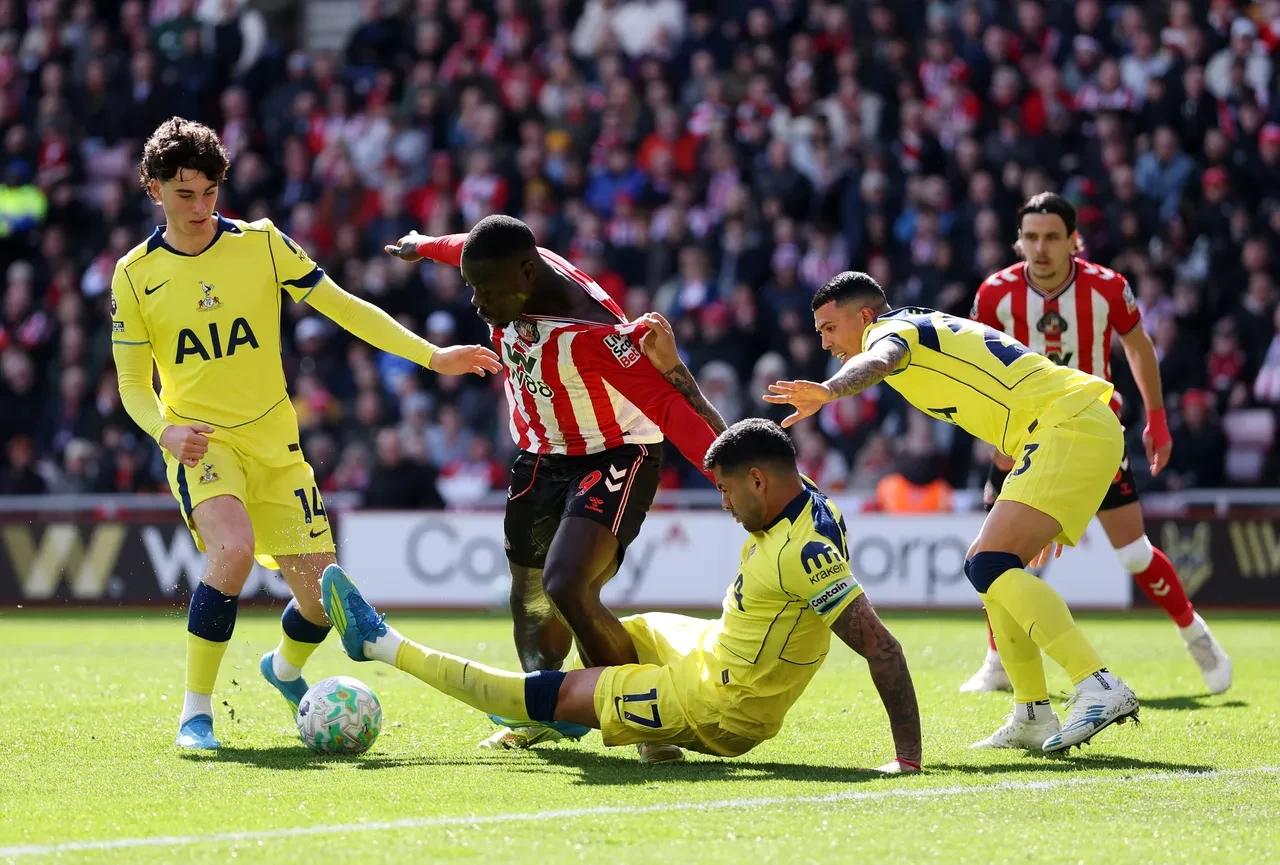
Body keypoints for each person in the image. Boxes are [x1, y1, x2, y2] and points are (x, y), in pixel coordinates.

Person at [111, 118, 501, 751]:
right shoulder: (133, 275)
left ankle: (283, 669)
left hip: (276, 444)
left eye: (210, 191)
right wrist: (166, 429)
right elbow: (131, 383)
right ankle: (195, 714)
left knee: (322, 601)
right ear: (154, 188)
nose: (200, 207)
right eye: (185, 193)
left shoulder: (262, 244)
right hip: (205, 446)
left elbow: (344, 306)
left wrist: (434, 356)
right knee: (231, 553)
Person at [320, 418, 922, 771]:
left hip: (723, 706)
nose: (723, 503)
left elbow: (882, 648)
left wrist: (908, 760)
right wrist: (678, 371)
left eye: (726, 491)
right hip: (708, 649)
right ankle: (589, 719)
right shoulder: (804, 492)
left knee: (534, 692)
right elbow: (742, 440)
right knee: (616, 626)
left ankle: (382, 644)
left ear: (759, 481)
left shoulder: (803, 553)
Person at [385, 217, 725, 762]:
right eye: (473, 288)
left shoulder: (592, 331)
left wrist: (724, 475)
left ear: (526, 273)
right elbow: (464, 250)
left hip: (617, 451)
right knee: (530, 601)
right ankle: (547, 709)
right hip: (541, 455)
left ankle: (647, 723)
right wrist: (422, 246)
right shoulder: (515, 265)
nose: (477, 303)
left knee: (566, 583)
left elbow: (665, 406)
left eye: (487, 291)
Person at [765, 271, 1139, 752]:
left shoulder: (887, 332)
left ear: (863, 316)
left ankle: (1098, 684)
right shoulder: (920, 323)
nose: (825, 341)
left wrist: (831, 390)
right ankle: (1031, 712)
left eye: (830, 327)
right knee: (985, 563)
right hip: (1062, 429)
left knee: (990, 564)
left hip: (1066, 427)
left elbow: (882, 358)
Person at [967, 193, 1230, 695]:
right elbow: (979, 369)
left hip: (1092, 436)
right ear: (1018, 240)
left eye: (1051, 238)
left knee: (1132, 554)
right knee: (995, 557)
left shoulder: (1107, 287)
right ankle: (997, 660)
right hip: (1021, 439)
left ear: (1073, 241)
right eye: (1031, 237)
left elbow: (1138, 346)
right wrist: (992, 433)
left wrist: (1157, 419)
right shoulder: (994, 295)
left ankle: (1195, 632)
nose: (1040, 249)